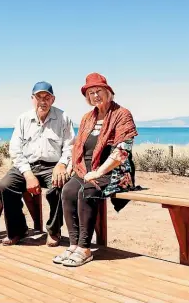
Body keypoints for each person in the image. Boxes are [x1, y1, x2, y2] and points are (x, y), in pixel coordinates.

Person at [53, 72, 138, 266]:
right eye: (91, 93)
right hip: (86, 169)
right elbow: (78, 147)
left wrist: (99, 172)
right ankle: (73, 245)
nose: (95, 95)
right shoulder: (87, 118)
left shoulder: (122, 114)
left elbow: (122, 151)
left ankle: (84, 248)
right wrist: (70, 167)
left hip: (114, 171)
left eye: (99, 90)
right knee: (67, 190)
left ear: (108, 92)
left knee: (87, 190)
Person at [0, 81, 75, 247]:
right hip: (27, 166)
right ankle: (18, 230)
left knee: (60, 186)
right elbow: (15, 149)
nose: (43, 101)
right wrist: (27, 174)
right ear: (32, 99)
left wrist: (62, 165)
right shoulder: (23, 119)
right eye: (39, 97)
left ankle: (54, 231)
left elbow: (70, 146)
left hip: (53, 166)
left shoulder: (63, 117)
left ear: (53, 99)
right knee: (5, 186)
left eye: (47, 97)